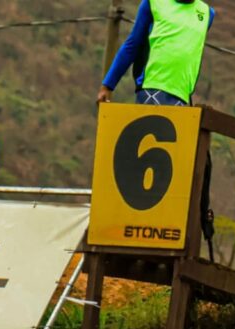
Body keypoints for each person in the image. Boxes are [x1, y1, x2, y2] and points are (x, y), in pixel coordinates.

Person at [96, 0, 216, 253]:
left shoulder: (206, 14)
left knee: (178, 169)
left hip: (182, 99)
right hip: (152, 89)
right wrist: (108, 84)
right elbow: (133, 44)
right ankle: (132, 234)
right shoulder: (154, 3)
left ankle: (169, 237)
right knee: (146, 158)